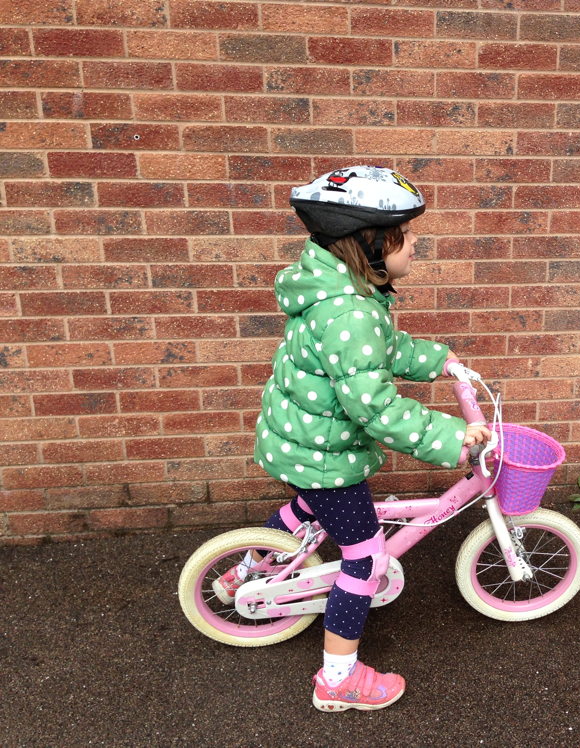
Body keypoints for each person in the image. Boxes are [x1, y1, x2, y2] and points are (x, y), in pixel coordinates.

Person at [212, 165, 490, 712]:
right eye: (404, 237)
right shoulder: (352, 312)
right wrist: (455, 437)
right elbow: (376, 407)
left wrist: (439, 360)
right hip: (323, 456)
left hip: (298, 442)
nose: (415, 245)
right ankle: (338, 679)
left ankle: (236, 576)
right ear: (370, 245)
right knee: (365, 560)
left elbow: (383, 353)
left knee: (303, 512)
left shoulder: (342, 293)